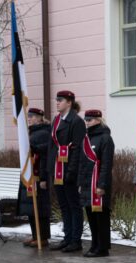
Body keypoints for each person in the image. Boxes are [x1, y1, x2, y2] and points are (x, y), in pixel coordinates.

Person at [45, 90, 86, 252]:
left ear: (69, 102)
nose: (57, 102)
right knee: (63, 205)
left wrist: (72, 172)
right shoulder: (56, 120)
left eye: (60, 100)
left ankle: (76, 241)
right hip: (57, 169)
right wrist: (50, 168)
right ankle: (67, 237)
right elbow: (51, 146)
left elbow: (77, 149)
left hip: (69, 170)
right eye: (56, 100)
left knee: (73, 206)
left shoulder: (76, 122)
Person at [78, 110, 115, 257]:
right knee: (91, 216)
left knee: (101, 217)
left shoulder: (105, 138)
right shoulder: (86, 138)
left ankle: (102, 247)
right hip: (87, 183)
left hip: (99, 183)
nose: (87, 122)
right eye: (86, 119)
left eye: (90, 119)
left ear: (98, 120)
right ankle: (94, 244)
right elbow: (82, 162)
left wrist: (101, 185)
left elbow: (106, 164)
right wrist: (80, 183)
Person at [17, 108, 51, 247]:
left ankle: (42, 237)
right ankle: (35, 235)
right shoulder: (32, 132)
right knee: (31, 207)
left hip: (37, 176)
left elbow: (44, 156)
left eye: (32, 116)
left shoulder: (43, 133)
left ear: (40, 118)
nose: (29, 118)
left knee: (40, 208)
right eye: (28, 116)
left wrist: (43, 178)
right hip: (29, 175)